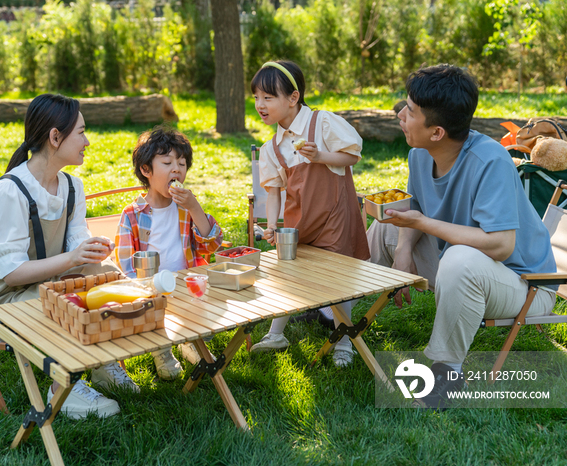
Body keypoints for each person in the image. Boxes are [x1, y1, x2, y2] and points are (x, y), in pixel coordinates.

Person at [367, 64, 557, 409]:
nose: (401, 115)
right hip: (465, 265)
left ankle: (448, 374)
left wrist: (422, 225)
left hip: (525, 282)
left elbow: (501, 245)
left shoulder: (490, 160)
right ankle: (337, 316)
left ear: (437, 132)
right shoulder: (419, 154)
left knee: (460, 257)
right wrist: (404, 250)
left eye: (410, 111)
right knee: (386, 223)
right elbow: (415, 207)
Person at [0, 93, 133, 420]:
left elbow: (76, 246)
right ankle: (63, 390)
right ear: (55, 137)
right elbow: (11, 274)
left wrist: (92, 253)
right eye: (81, 132)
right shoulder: (9, 191)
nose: (87, 141)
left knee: (106, 276)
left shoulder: (71, 186)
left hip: (44, 284)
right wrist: (73, 261)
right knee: (66, 303)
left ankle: (102, 364)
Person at [248, 60, 370, 367]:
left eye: (267, 97)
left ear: (293, 98)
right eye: (256, 98)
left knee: (340, 277)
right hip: (298, 220)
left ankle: (344, 343)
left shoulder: (321, 123)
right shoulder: (272, 147)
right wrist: (273, 225)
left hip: (333, 216)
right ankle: (277, 333)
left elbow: (352, 153)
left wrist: (320, 156)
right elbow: (274, 192)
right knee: (289, 273)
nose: (260, 105)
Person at [114, 126, 224, 379]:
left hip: (186, 282)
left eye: (182, 163)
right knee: (154, 308)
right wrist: (141, 288)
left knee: (197, 305)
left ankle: (189, 341)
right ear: (146, 170)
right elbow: (126, 263)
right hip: (151, 287)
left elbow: (210, 245)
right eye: (167, 162)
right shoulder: (132, 215)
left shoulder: (186, 208)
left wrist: (195, 207)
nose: (176, 169)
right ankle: (162, 348)